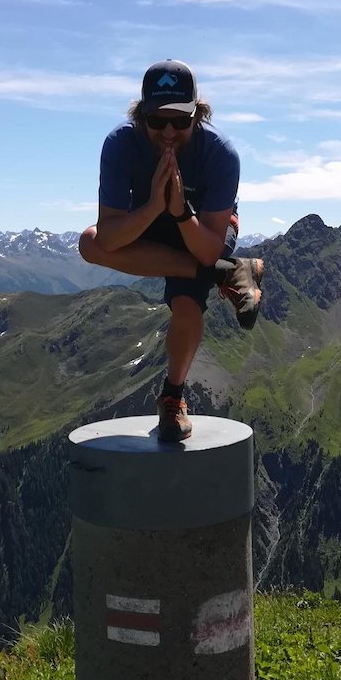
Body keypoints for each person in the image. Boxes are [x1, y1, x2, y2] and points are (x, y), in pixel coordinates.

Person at [78, 59, 264, 442]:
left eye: (180, 121)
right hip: (150, 219)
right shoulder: (120, 145)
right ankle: (229, 272)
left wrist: (179, 211)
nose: (167, 132)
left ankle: (173, 397)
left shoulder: (220, 154)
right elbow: (107, 238)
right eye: (156, 120)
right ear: (140, 116)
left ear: (198, 115)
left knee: (187, 304)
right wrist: (153, 208)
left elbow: (208, 248)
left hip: (204, 229)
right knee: (88, 243)